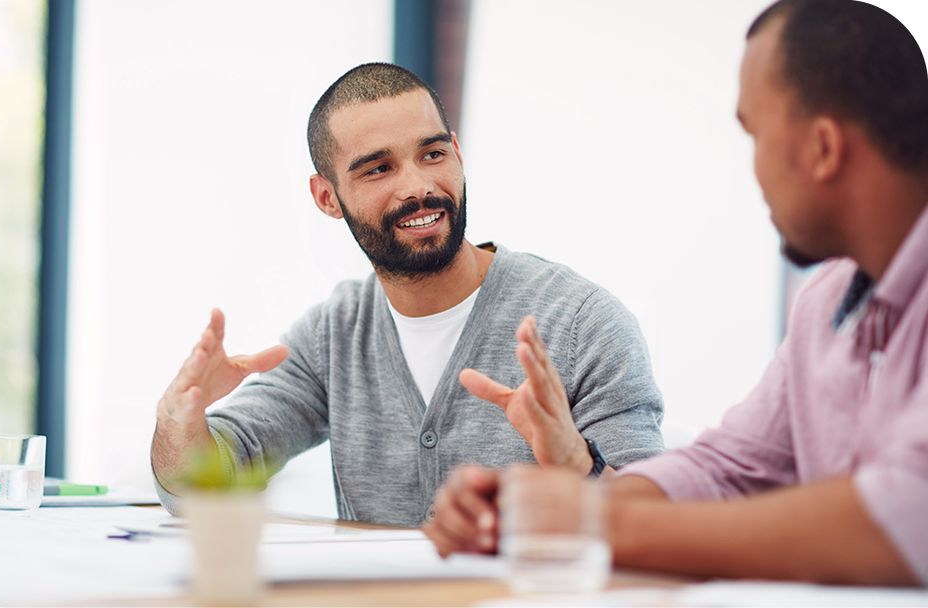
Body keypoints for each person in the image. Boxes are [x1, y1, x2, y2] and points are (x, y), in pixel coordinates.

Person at [424, 0, 928, 586]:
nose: (755, 171)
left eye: (755, 134)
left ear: (823, 148)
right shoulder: (828, 302)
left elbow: (906, 516)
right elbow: (726, 469)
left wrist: (590, 523)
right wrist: (530, 505)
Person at [150, 63, 666, 526]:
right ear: (327, 197)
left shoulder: (583, 324)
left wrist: (577, 463)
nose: (418, 186)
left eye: (433, 153)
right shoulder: (335, 333)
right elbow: (198, 491)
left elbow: (655, 523)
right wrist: (178, 423)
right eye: (379, 168)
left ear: (458, 155)